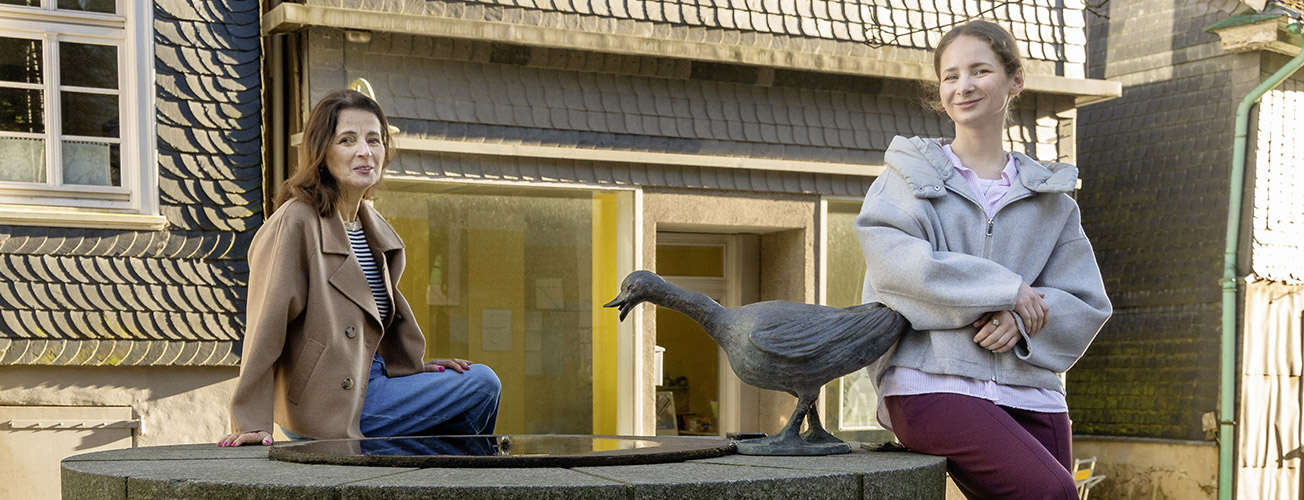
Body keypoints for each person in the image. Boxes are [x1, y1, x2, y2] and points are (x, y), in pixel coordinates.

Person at [856, 20, 1112, 499]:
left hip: (1032, 387)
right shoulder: (905, 180)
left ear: (1014, 81)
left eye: (979, 71)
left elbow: (1087, 300)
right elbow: (897, 269)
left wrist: (1021, 319)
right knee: (1053, 493)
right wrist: (1004, 290)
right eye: (951, 76)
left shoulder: (1051, 199)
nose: (963, 86)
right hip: (930, 382)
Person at [218, 89, 501, 447]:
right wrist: (251, 422)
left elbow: (367, 327)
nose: (365, 151)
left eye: (374, 140)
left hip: (373, 383)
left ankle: (435, 471)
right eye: (347, 140)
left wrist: (414, 371)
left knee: (469, 383)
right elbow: (265, 326)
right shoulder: (296, 222)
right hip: (328, 400)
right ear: (322, 153)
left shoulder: (370, 225)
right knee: (483, 384)